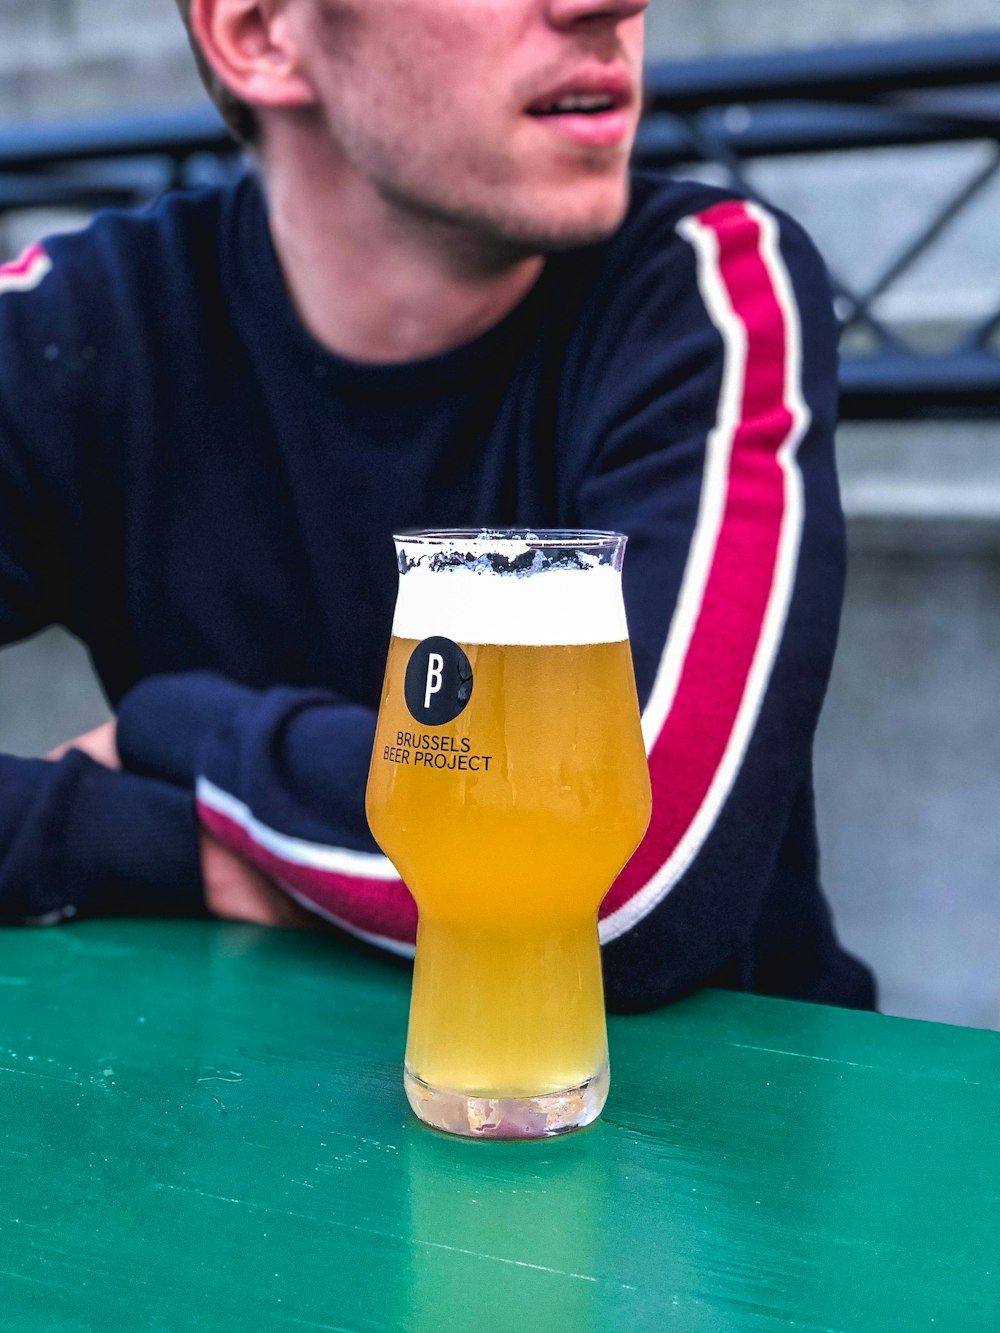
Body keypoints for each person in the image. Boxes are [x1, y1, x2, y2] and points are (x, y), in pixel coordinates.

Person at [0, 0, 875, 1010]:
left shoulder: (698, 288)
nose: (611, 5)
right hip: (238, 1108)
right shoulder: (84, 325)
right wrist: (150, 843)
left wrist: (178, 727)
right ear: (257, 34)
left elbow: (608, 885)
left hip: (705, 1135)